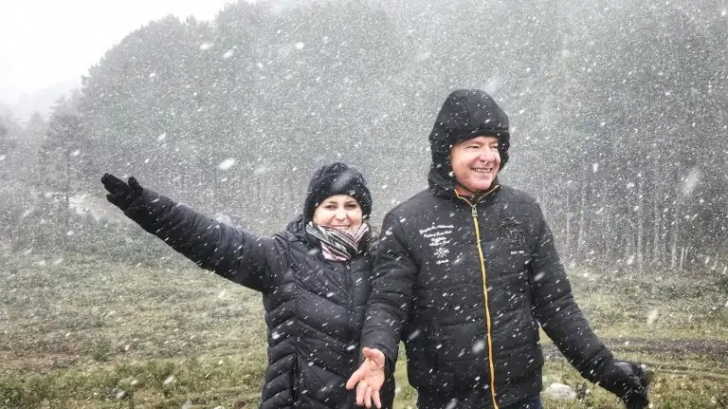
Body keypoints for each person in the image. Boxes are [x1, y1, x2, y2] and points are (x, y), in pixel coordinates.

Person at [346, 89, 650, 409]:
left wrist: (603, 368)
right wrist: (379, 350)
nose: (487, 156)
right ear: (445, 152)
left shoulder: (523, 212)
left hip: (522, 398)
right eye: (474, 146)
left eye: (494, 146)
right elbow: (388, 304)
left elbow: (557, 305)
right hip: (445, 400)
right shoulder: (408, 221)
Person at [101, 163, 395, 409]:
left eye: (351, 205)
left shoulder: (384, 261)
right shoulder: (281, 257)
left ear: (363, 211)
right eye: (330, 205)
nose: (341, 215)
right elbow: (213, 240)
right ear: (312, 212)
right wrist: (149, 208)